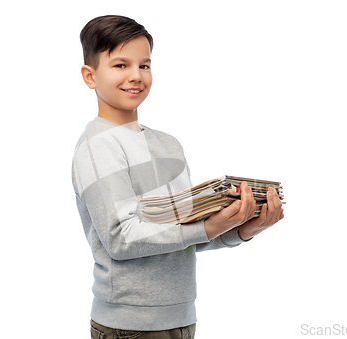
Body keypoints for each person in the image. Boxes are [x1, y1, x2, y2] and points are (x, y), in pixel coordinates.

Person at [72, 15, 284, 339]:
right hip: (130, 328)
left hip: (182, 321)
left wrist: (239, 230)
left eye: (144, 65)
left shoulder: (168, 145)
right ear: (90, 76)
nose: (136, 76)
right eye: (120, 65)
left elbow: (181, 238)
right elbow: (120, 239)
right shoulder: (96, 147)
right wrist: (206, 228)